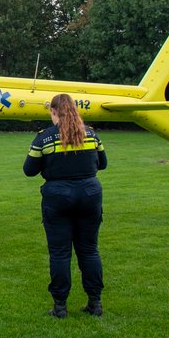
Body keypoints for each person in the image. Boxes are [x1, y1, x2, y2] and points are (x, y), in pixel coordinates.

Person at [23, 93, 107, 319]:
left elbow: (29, 170)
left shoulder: (44, 138)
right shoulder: (90, 134)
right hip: (90, 194)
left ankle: (60, 306)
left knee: (60, 253)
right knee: (89, 250)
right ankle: (95, 302)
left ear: (53, 112)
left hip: (57, 197)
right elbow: (103, 164)